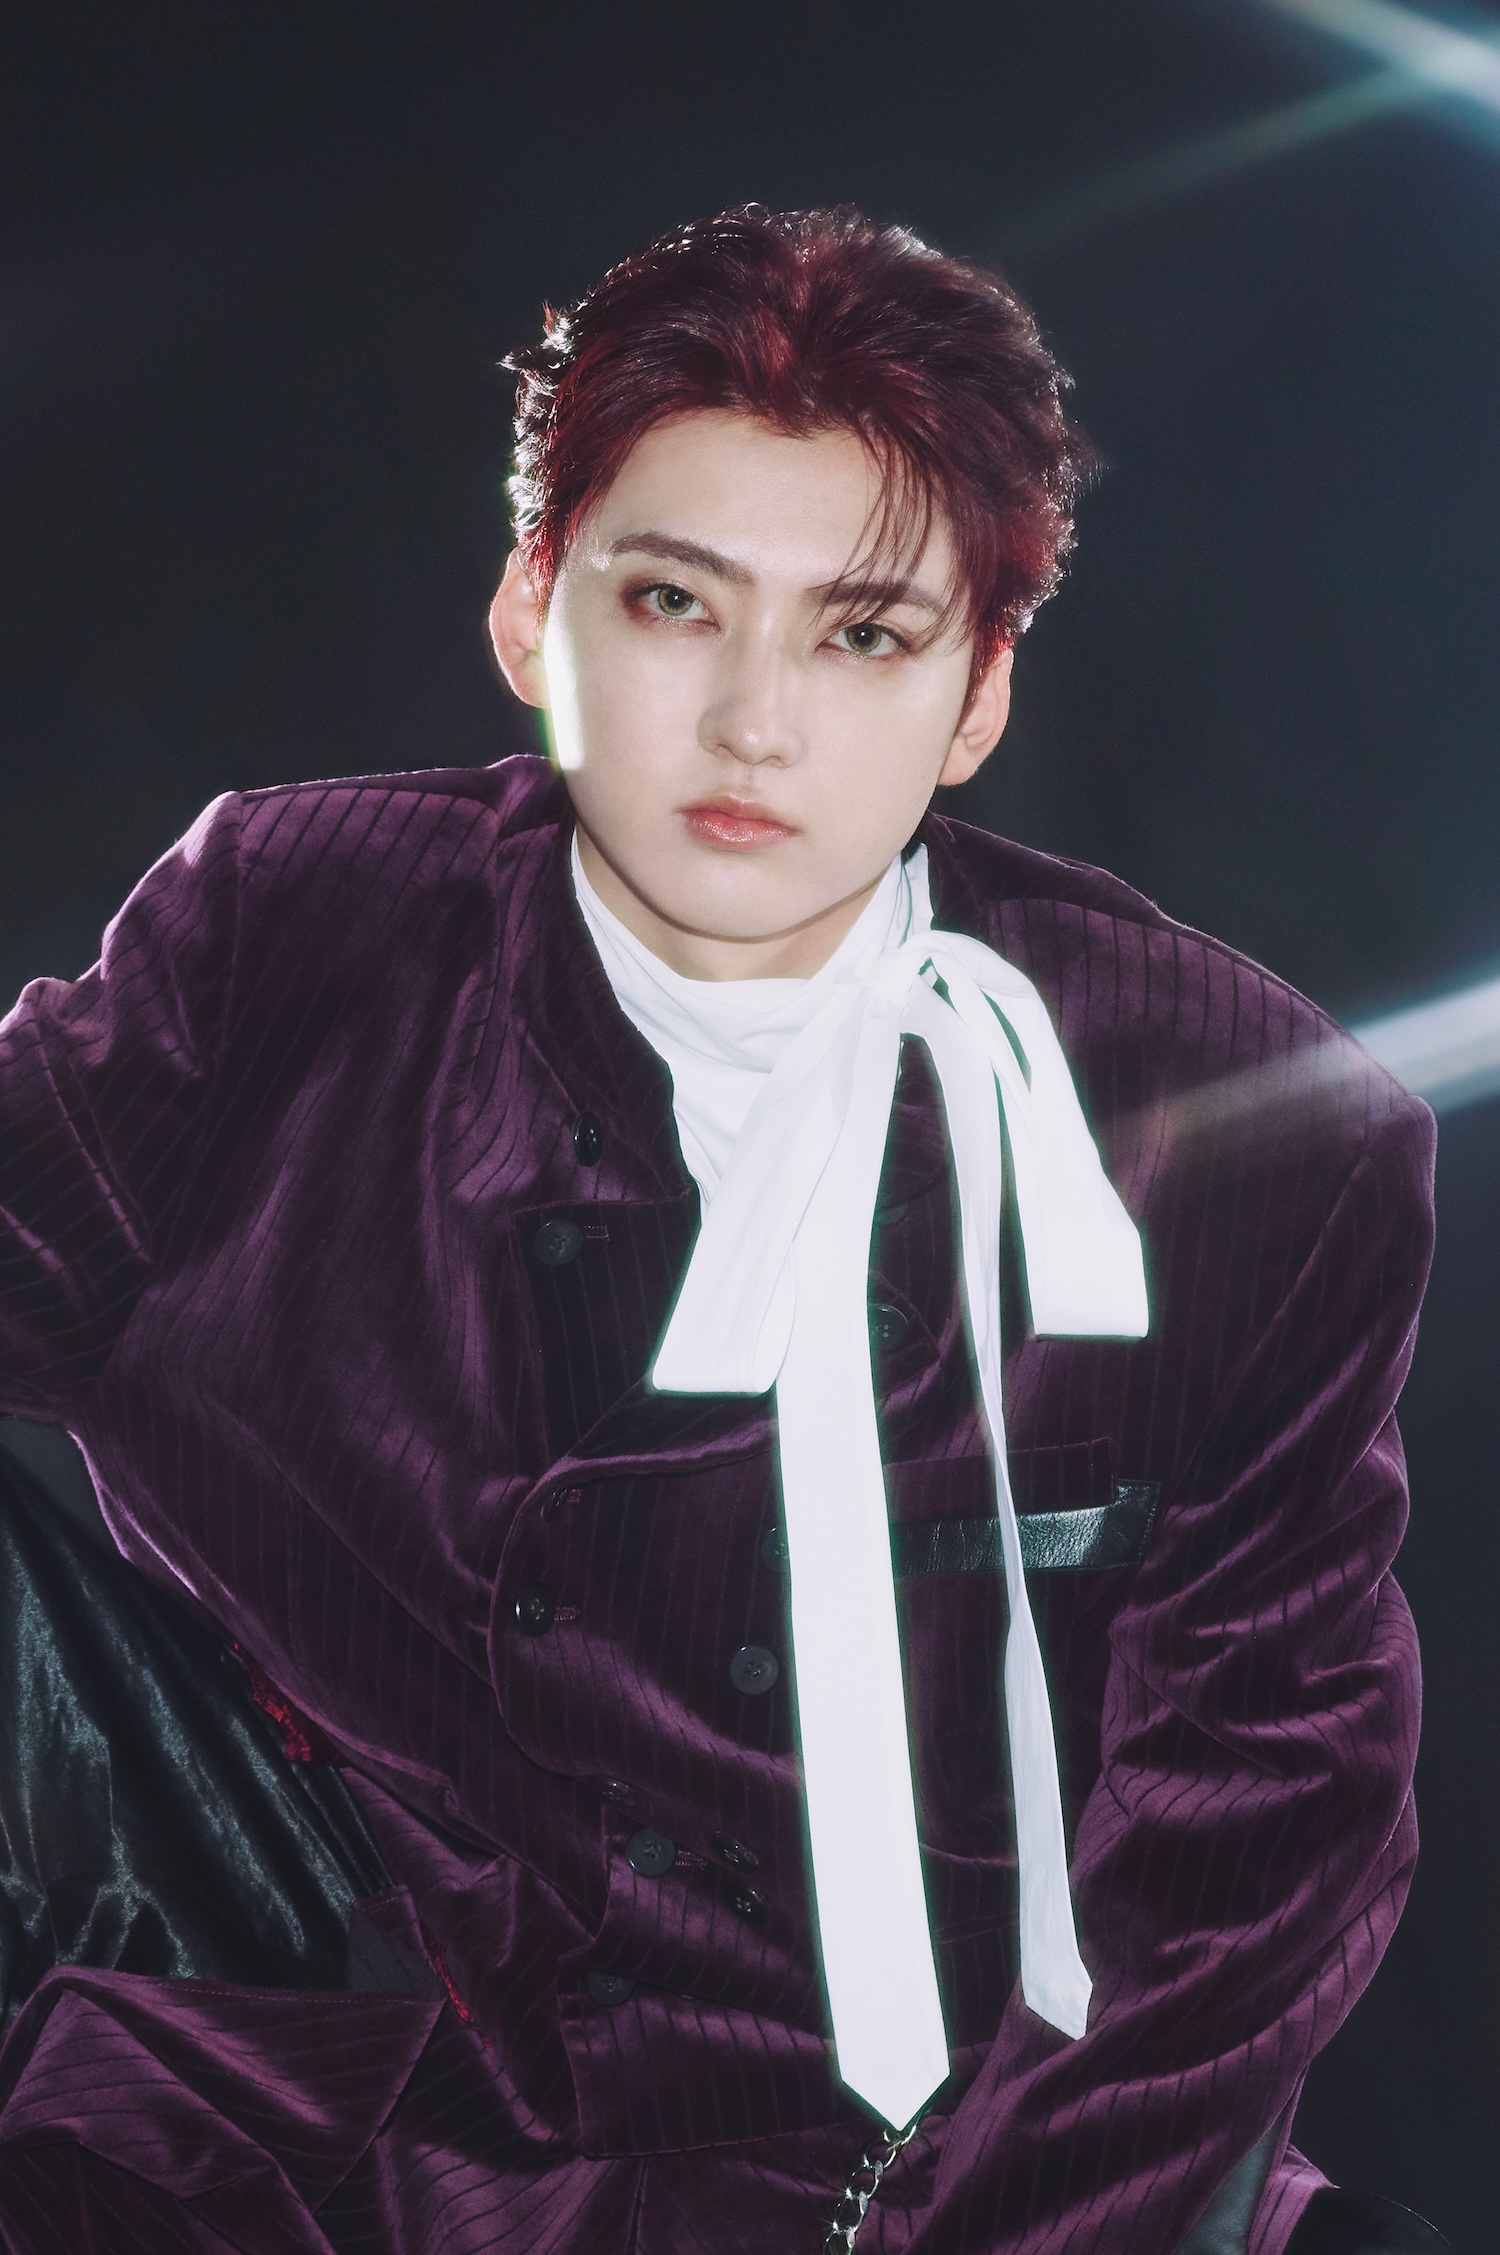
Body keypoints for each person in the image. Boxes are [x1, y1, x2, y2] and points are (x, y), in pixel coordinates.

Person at [0, 205, 1445, 2254]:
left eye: (864, 635)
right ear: (535, 610)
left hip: (937, 2165)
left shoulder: (1249, 1129)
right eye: (676, 601)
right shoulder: (293, 933)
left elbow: (1259, 1841)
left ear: (978, 695)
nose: (756, 721)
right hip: (343, 2093)